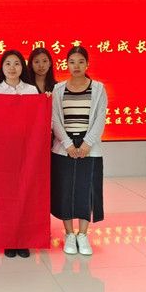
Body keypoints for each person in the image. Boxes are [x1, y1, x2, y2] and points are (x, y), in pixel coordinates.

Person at [51, 46, 107, 256]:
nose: (76, 66)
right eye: (72, 62)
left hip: (89, 147)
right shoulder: (58, 89)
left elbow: (100, 118)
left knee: (86, 190)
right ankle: (69, 234)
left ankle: (83, 235)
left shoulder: (98, 89)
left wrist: (87, 144)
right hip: (63, 147)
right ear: (67, 64)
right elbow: (54, 118)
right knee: (65, 190)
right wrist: (67, 143)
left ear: (87, 64)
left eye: (81, 62)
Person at [0, 50, 39, 259]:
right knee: (4, 197)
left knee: (25, 194)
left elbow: (37, 119)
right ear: (1, 67)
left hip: (26, 150)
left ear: (22, 67)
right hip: (2, 152)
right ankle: (8, 239)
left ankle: (23, 239)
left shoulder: (32, 90)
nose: (12, 68)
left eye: (16, 63)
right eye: (7, 63)